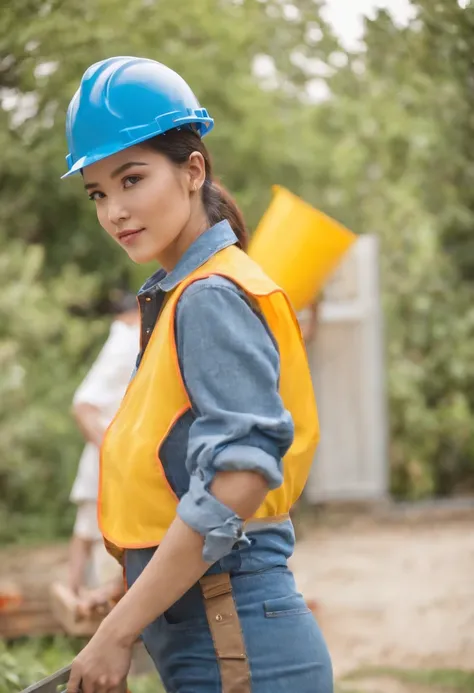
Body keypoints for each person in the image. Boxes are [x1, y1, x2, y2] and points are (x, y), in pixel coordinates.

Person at [63, 56, 333, 693]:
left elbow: (239, 477)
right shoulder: (183, 293)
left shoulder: (208, 295)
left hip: (239, 644)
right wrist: (129, 590)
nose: (114, 212)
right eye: (99, 192)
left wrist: (118, 631)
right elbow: (187, 487)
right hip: (219, 632)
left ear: (193, 170)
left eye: (132, 179)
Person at [68, 292, 140, 599]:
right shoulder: (127, 340)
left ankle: (81, 599)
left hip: (113, 459)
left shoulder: (127, 339)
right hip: (110, 462)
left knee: (88, 533)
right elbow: (83, 406)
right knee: (102, 540)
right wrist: (115, 452)